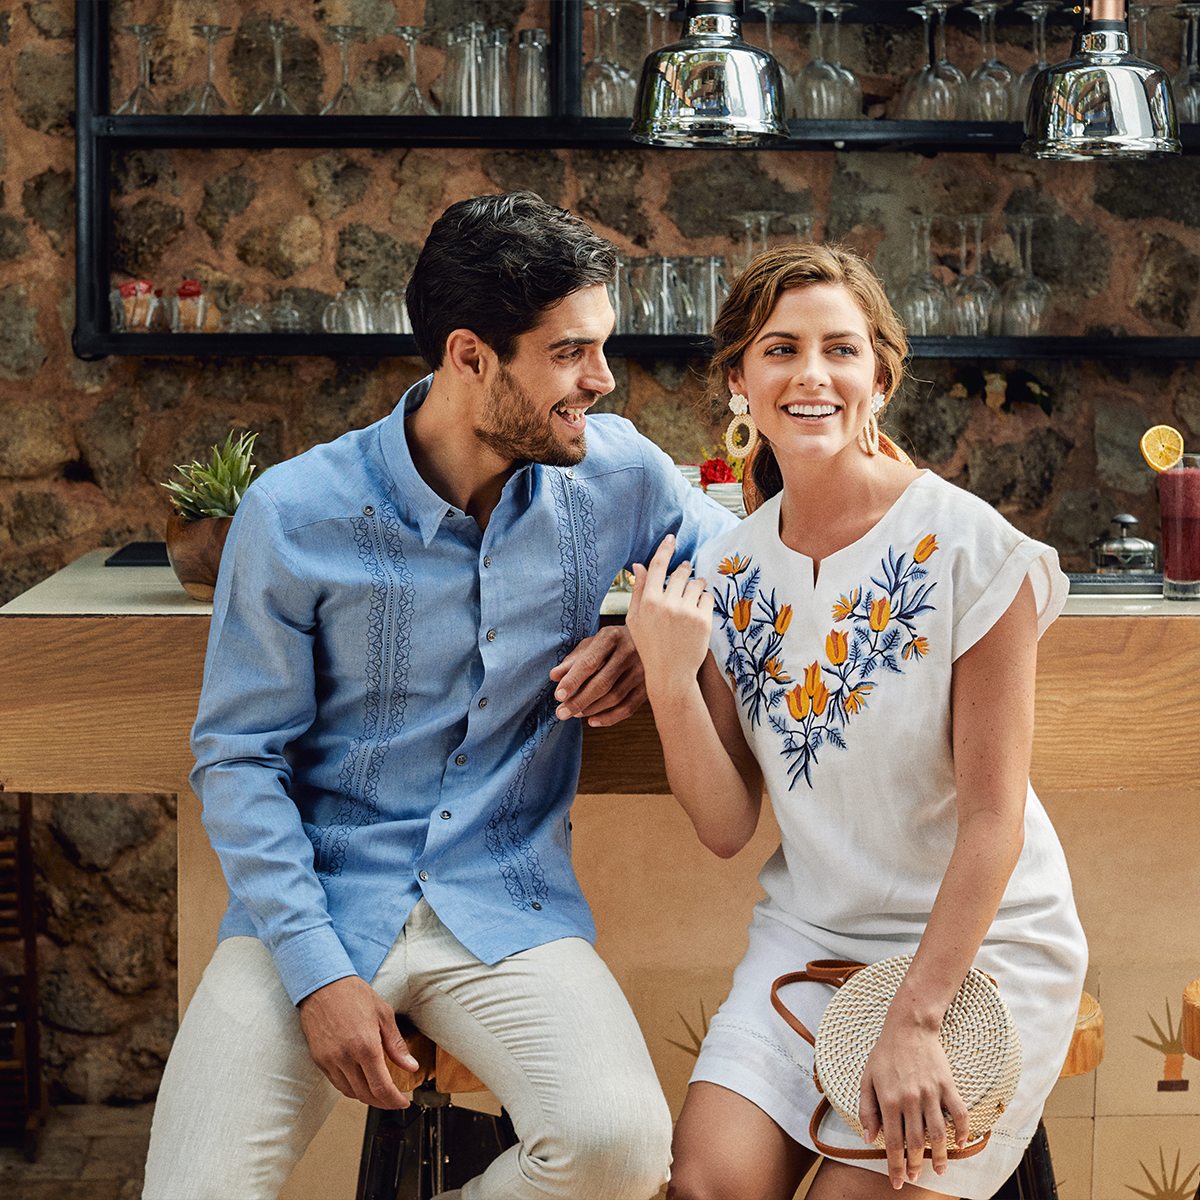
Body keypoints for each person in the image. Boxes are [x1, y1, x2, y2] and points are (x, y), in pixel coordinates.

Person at [142, 191, 737, 1200]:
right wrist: (318, 975)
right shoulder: (293, 513)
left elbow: (750, 572)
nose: (602, 379)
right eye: (569, 354)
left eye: (602, 349)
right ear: (470, 357)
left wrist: (645, 644)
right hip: (317, 903)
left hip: (506, 897)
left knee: (620, 1151)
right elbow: (240, 759)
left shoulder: (620, 472)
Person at [625, 243, 1087, 1199]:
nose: (811, 375)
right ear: (739, 382)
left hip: (975, 946)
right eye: (780, 349)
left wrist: (918, 1017)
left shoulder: (973, 551)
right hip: (812, 934)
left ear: (880, 376)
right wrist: (671, 684)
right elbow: (724, 827)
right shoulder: (729, 573)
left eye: (840, 349)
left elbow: (995, 819)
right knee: (705, 1188)